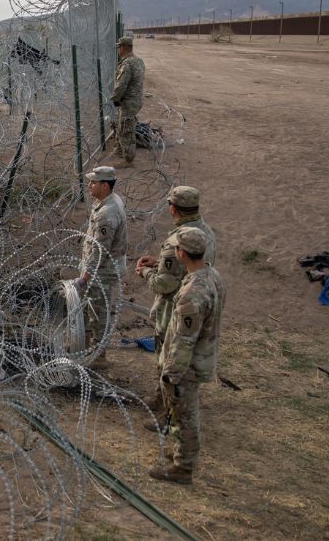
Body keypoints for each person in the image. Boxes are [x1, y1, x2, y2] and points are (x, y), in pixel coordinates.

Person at [134, 186, 217, 429]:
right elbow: (193, 263)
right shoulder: (205, 233)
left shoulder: (177, 240)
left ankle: (167, 415)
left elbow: (164, 284)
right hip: (199, 300)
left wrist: (146, 272)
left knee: (169, 362)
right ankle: (162, 402)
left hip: (174, 309)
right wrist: (161, 263)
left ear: (173, 209)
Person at [150, 226, 225, 485]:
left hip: (188, 364)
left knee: (186, 413)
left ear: (181, 253)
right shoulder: (212, 275)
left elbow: (184, 339)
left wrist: (171, 373)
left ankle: (183, 467)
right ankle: (181, 452)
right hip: (202, 355)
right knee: (183, 412)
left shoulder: (192, 293)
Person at [75, 165, 128, 365]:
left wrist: (86, 277)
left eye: (94, 182)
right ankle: (86, 345)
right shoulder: (108, 201)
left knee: (98, 312)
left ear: (105, 185)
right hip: (100, 267)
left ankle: (98, 355)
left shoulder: (107, 213)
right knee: (89, 307)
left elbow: (100, 251)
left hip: (102, 271)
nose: (89, 185)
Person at [111, 36, 145, 164]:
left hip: (128, 101)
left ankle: (128, 160)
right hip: (135, 100)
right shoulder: (139, 60)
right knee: (122, 126)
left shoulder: (127, 63)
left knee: (126, 129)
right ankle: (119, 150)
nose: (118, 50)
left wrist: (115, 98)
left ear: (123, 47)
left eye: (119, 47)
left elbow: (121, 84)